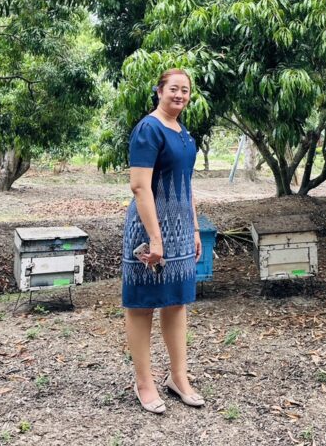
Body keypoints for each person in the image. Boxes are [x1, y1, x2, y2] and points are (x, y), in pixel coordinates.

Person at [123, 68, 205, 414]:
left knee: (176, 303)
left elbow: (186, 184)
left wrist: (195, 228)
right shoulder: (149, 129)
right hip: (149, 231)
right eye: (173, 88)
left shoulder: (184, 133)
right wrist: (155, 239)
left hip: (181, 230)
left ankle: (178, 377)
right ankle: (144, 383)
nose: (179, 95)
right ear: (159, 91)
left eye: (185, 90)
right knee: (142, 306)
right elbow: (139, 186)